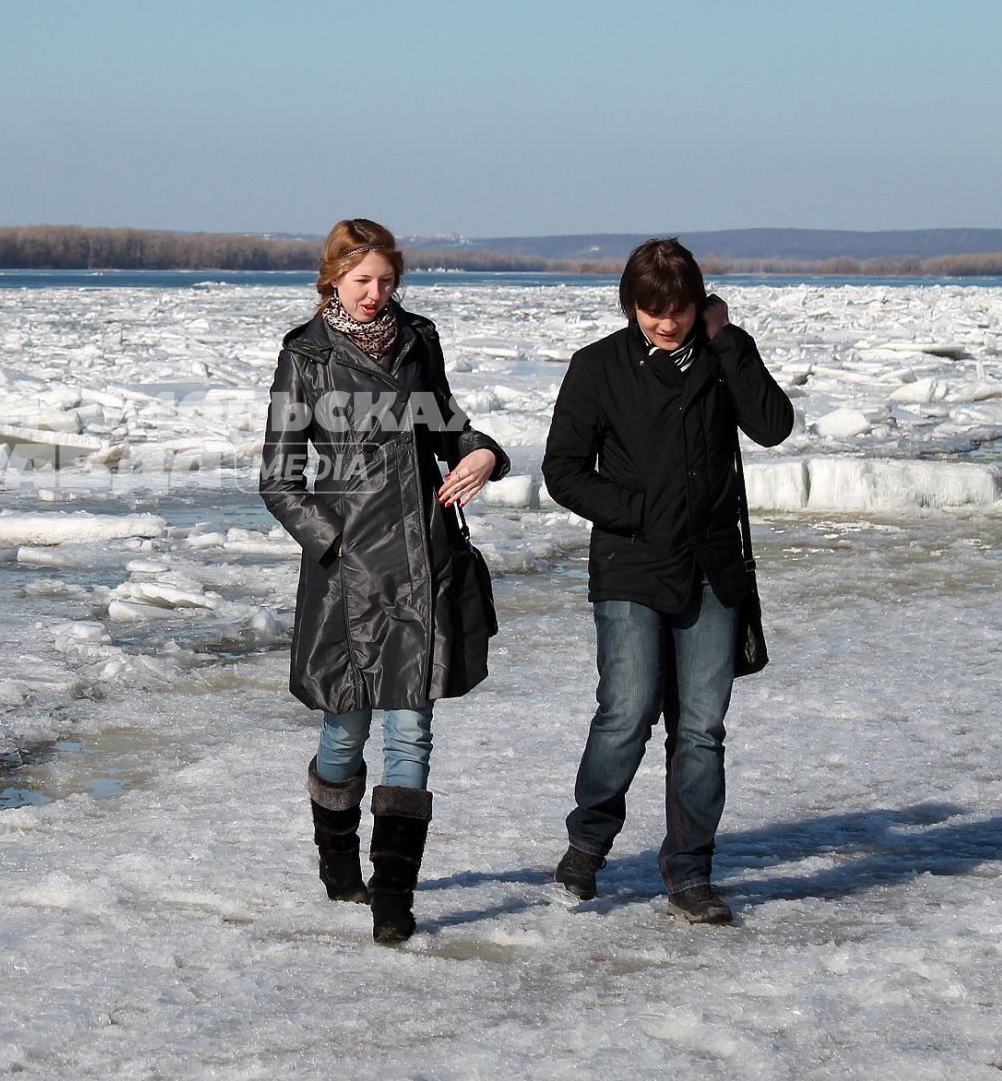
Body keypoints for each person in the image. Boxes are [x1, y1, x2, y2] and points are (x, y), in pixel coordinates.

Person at [260, 218, 508, 944]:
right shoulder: (304, 358)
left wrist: (482, 453)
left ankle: (394, 898)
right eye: (362, 281)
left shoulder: (417, 340)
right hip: (346, 577)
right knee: (345, 731)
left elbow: (447, 427)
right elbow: (278, 481)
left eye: (386, 281)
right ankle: (338, 860)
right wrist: (334, 542)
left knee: (411, 731)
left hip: (422, 560)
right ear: (331, 278)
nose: (375, 295)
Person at [542, 237, 793, 924]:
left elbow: (772, 426)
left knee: (701, 729)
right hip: (629, 566)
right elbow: (562, 469)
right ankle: (588, 843)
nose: (664, 323)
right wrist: (636, 512)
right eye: (651, 310)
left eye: (677, 309)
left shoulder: (719, 359)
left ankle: (689, 873)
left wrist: (729, 340)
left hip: (712, 570)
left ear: (696, 305)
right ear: (631, 304)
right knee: (624, 715)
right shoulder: (597, 367)